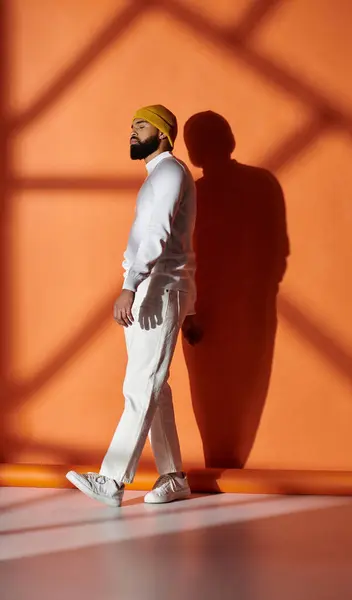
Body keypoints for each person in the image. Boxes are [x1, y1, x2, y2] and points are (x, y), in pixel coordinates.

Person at [66, 105, 197, 507]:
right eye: (131, 125)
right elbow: (176, 241)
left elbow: (158, 237)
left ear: (163, 133)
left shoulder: (171, 172)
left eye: (141, 125)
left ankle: (112, 480)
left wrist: (130, 285)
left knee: (141, 386)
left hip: (156, 289)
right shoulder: (159, 175)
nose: (132, 131)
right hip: (153, 290)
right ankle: (173, 476)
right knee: (155, 386)